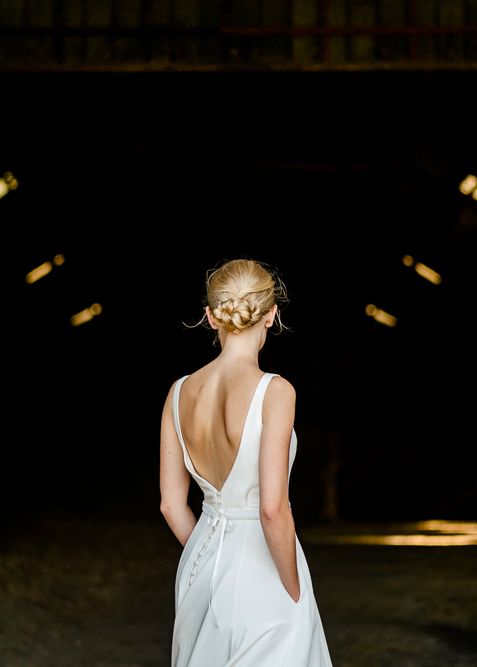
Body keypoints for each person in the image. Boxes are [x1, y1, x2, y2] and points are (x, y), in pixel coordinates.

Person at [159, 258, 333, 666]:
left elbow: (171, 504)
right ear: (272, 314)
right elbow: (272, 508)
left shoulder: (178, 392)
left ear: (210, 316)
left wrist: (211, 548)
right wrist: (292, 589)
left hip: (201, 565)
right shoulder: (275, 391)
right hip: (264, 567)